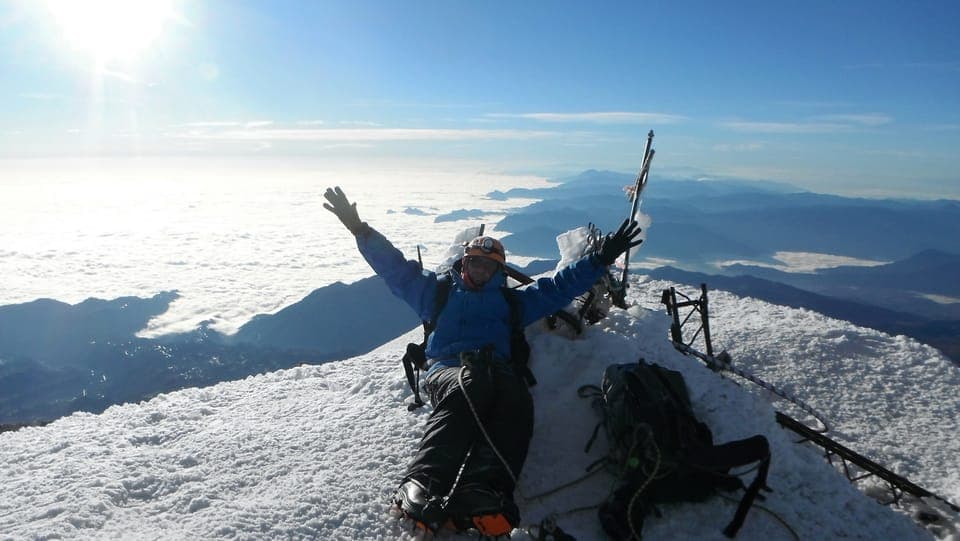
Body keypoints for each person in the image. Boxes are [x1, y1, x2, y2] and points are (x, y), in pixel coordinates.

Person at [323, 186, 642, 536]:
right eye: (474, 262)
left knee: (517, 400)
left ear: (498, 271)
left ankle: (483, 490)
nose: (480, 271)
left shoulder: (510, 303)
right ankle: (422, 484)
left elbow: (557, 288)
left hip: (498, 371)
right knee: (470, 385)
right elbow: (396, 269)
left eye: (488, 266)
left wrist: (601, 259)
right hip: (447, 370)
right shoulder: (436, 293)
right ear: (463, 264)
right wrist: (360, 230)